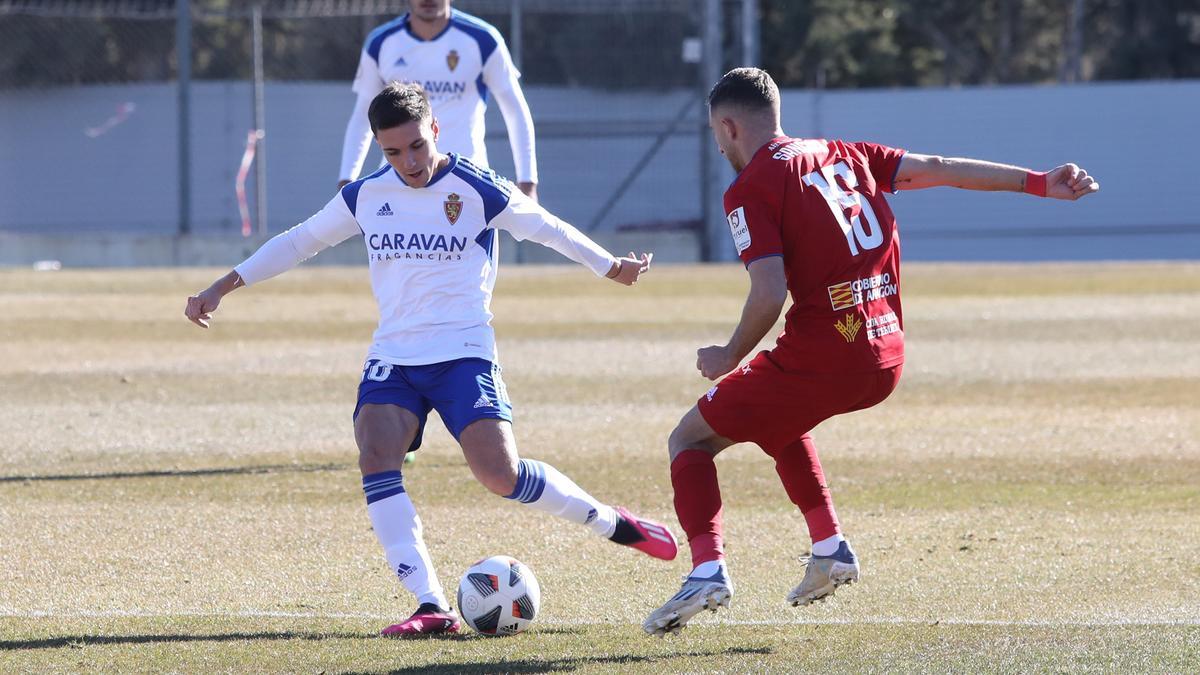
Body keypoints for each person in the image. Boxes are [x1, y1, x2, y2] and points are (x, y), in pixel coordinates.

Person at [186, 82, 676, 638]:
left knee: (500, 474)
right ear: (379, 148)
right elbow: (299, 241)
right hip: (394, 356)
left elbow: (546, 228)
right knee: (375, 454)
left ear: (435, 131)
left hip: (464, 352)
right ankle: (430, 605)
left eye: (416, 146)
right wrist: (222, 286)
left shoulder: (477, 188)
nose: (408, 161)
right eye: (393, 152)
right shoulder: (366, 195)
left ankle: (612, 522)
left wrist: (609, 265)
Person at [643, 67, 1099, 637]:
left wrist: (729, 353)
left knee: (688, 438)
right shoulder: (848, 153)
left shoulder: (751, 186)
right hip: (884, 355)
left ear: (729, 127)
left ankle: (708, 568)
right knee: (778, 415)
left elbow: (768, 291)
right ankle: (830, 547)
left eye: (717, 136)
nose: (719, 147)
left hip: (826, 356)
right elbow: (939, 169)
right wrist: (1037, 182)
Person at [338, 0, 539, 202]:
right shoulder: (381, 43)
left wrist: (527, 182)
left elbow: (515, 111)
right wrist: (346, 179)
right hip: (400, 185)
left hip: (468, 183)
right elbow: (363, 116)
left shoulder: (483, 39)